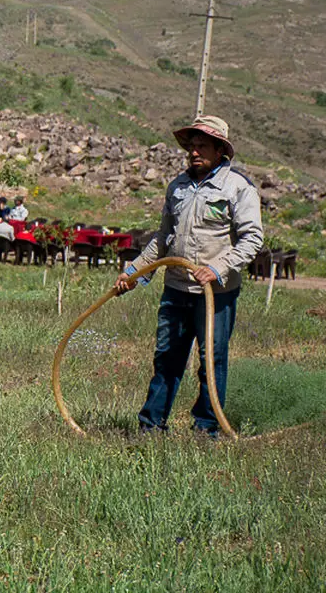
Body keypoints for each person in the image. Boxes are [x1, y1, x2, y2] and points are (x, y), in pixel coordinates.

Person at [115, 115, 263, 437]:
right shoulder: (177, 187)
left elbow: (253, 239)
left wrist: (217, 268)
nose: (194, 152)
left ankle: (206, 430)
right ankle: (151, 427)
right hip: (176, 289)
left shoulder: (238, 188)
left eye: (202, 146)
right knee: (167, 358)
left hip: (216, 294)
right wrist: (134, 272)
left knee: (212, 362)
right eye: (191, 146)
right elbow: (162, 238)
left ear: (220, 149)